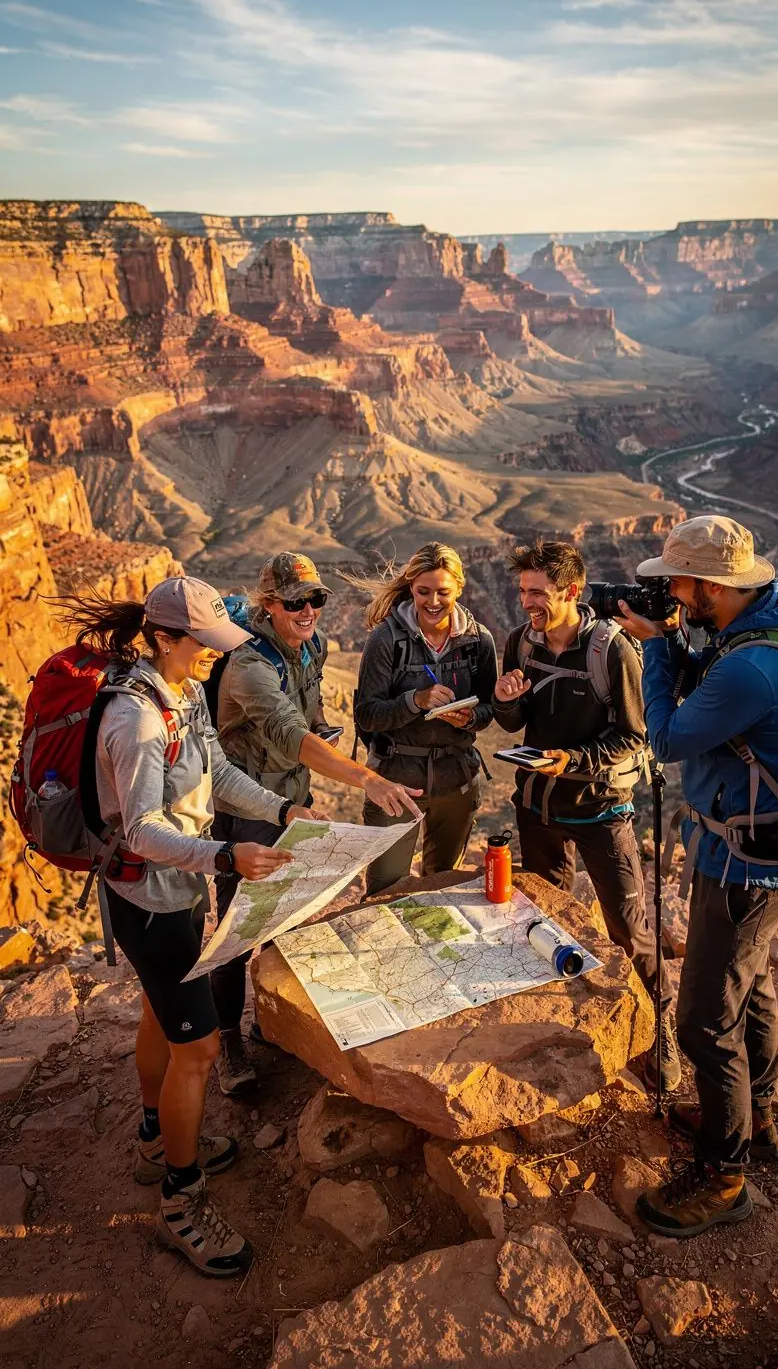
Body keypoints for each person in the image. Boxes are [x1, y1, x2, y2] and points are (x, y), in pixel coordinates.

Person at [58, 576, 311, 1278]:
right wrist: (225, 854)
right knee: (196, 1053)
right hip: (150, 902)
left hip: (177, 890)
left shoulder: (186, 693)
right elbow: (139, 830)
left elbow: (218, 770)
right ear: (165, 638)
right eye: (200, 644)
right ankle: (180, 1197)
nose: (210, 655)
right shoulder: (135, 722)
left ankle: (151, 1135)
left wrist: (280, 809)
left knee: (158, 1012)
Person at [616, 514, 778, 1238]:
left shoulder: (750, 668)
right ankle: (757, 1119)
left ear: (710, 586)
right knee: (750, 988)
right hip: (763, 859)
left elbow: (665, 737)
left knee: (703, 1019)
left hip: (741, 869)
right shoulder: (765, 624)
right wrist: (681, 643)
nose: (669, 590)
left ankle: (725, 1177)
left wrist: (660, 651)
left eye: (676, 581)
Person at [213, 551, 421, 1092]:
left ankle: (271, 1023)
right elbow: (289, 734)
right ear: (268, 605)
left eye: (317, 599)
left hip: (292, 801)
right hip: (246, 810)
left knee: (283, 914)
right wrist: (368, 780)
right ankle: (228, 1047)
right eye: (296, 602)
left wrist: (325, 729)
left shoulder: (313, 646)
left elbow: (309, 720)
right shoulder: (249, 665)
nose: (309, 610)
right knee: (238, 927)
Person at [491, 538, 677, 1090]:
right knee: (545, 913)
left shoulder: (610, 651)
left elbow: (634, 737)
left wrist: (571, 761)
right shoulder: (520, 643)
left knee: (626, 926)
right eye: (523, 591)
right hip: (537, 806)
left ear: (572, 590)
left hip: (601, 810)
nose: (527, 602)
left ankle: (660, 1028)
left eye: (538, 592)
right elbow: (513, 721)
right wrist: (505, 698)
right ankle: (560, 1006)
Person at [353, 541, 498, 893]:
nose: (433, 602)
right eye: (423, 591)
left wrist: (468, 718)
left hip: (456, 781)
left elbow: (489, 709)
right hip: (396, 780)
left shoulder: (478, 641)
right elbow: (367, 716)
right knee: (384, 889)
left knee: (441, 885)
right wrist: (415, 700)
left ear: (459, 589)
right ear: (411, 587)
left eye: (443, 592)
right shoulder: (386, 640)